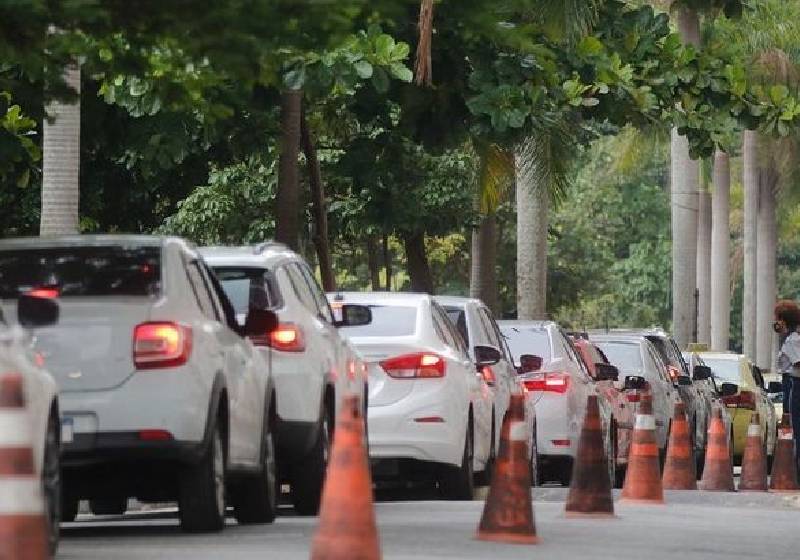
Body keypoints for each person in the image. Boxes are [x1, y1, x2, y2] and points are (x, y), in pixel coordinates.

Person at [774, 300, 800, 467]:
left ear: (783, 319)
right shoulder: (790, 338)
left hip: (796, 384)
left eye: (778, 318)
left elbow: (797, 362)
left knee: (796, 428)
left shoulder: (793, 340)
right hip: (792, 383)